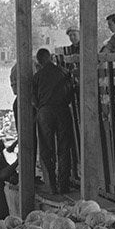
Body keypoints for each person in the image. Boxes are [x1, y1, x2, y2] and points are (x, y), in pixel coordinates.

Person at [31, 47, 75, 194]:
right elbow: (70, 94)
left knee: (46, 149)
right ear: (50, 57)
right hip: (63, 111)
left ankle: (51, 186)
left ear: (39, 61)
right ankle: (64, 186)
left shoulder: (37, 77)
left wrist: (41, 107)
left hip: (45, 113)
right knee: (64, 149)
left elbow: (33, 100)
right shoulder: (64, 72)